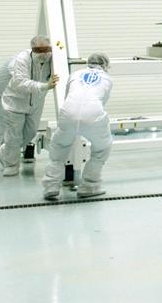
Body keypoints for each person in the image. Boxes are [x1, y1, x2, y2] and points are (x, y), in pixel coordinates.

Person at [43, 53, 114, 201]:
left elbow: (68, 96)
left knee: (59, 148)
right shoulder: (107, 78)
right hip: (93, 115)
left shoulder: (76, 74)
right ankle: (89, 186)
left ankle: (51, 187)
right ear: (105, 65)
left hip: (68, 113)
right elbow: (102, 101)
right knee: (101, 148)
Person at [0, 36, 59, 176]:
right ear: (33, 49)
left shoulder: (53, 59)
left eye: (46, 50)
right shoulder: (21, 59)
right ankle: (11, 165)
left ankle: (4, 152)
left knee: (30, 133)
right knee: (14, 135)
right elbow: (20, 82)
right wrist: (45, 86)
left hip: (36, 102)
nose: (44, 54)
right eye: (39, 50)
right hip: (15, 102)